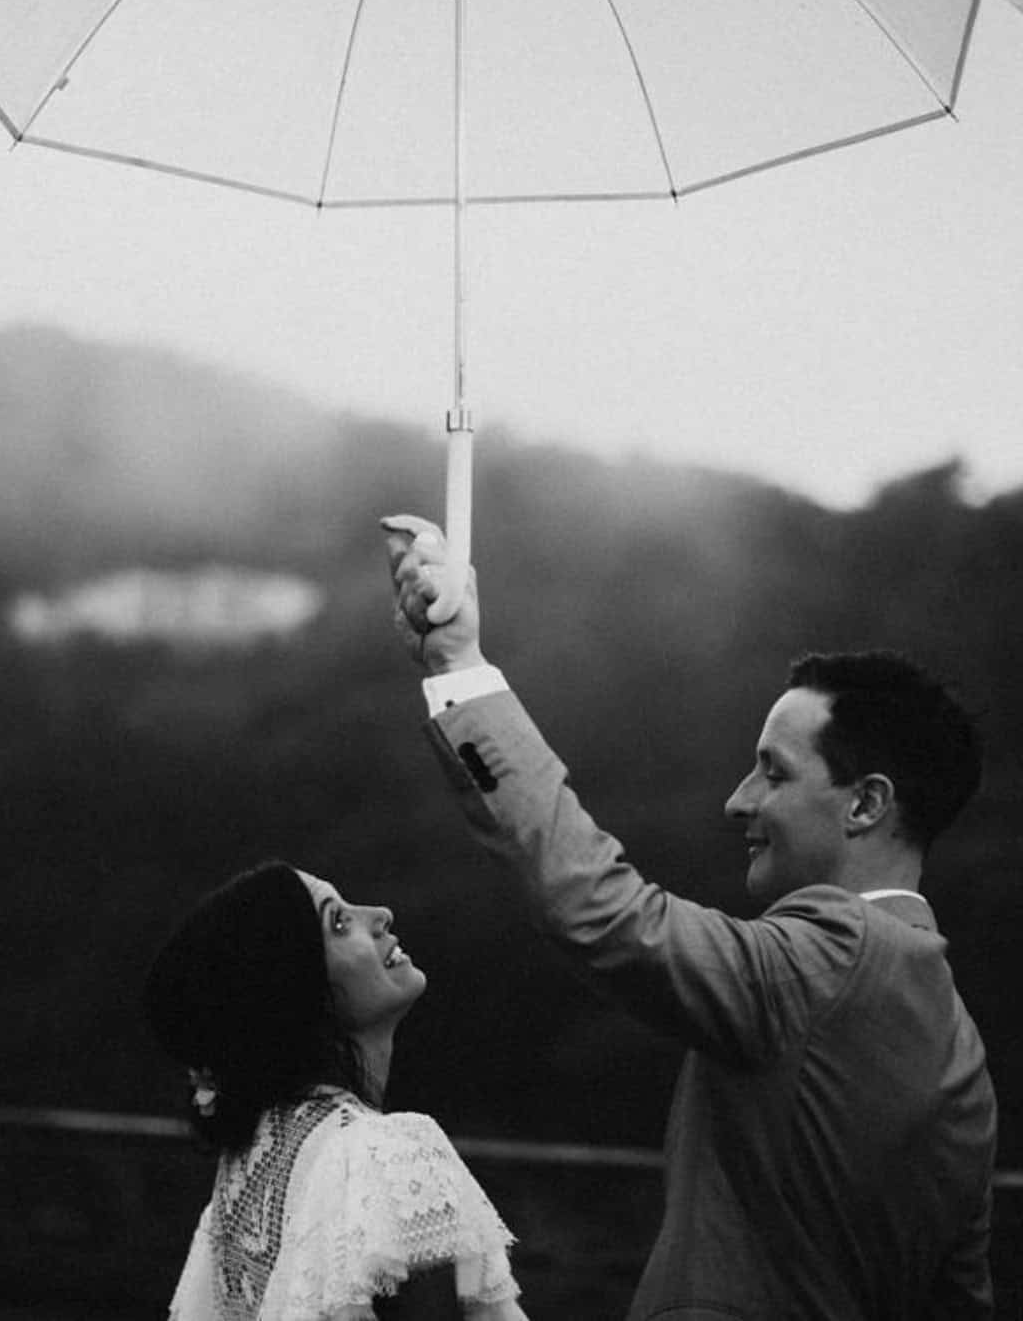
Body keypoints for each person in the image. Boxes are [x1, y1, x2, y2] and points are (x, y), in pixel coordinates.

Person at [382, 514, 997, 1321]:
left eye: (772, 772)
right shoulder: (965, 1054)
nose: (737, 800)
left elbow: (600, 909)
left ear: (867, 804)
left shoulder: (841, 950)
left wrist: (458, 666)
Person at [144, 859, 529, 1321]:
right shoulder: (390, 1156)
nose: (381, 914)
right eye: (340, 923)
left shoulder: (247, 1172)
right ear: (299, 991)